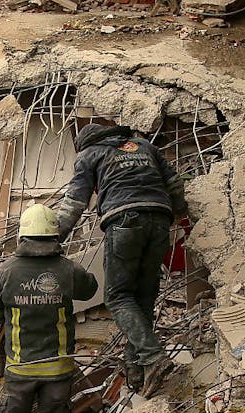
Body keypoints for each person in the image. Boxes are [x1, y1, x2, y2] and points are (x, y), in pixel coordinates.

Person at [56, 124, 187, 396]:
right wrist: (181, 214)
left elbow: (75, 201)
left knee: (117, 296)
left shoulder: (90, 154)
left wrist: (54, 237)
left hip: (124, 220)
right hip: (161, 219)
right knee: (144, 297)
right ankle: (137, 369)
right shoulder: (145, 147)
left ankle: (153, 357)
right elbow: (174, 183)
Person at [0, 204, 98, 413]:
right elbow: (90, 290)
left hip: (20, 369)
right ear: (53, 235)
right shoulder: (66, 269)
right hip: (58, 370)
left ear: (22, 234)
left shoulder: (6, 271)